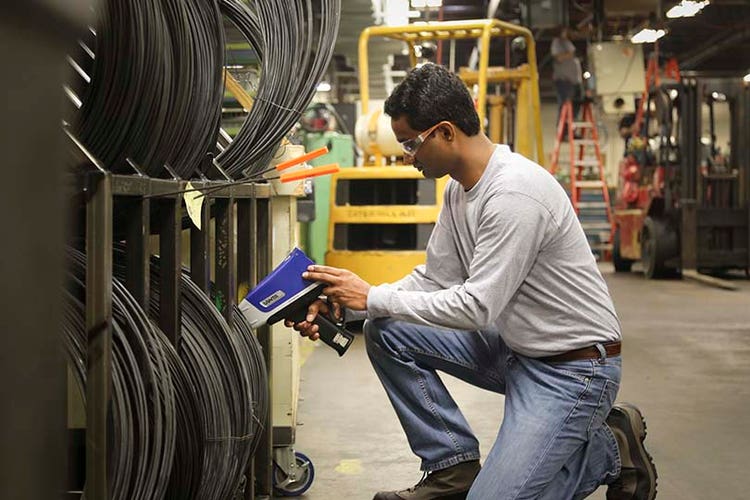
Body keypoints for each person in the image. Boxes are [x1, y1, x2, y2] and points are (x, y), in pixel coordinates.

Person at [286, 64, 657, 500]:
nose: (407, 155)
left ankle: (611, 450)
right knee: (386, 331)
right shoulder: (459, 190)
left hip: (574, 369)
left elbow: (476, 307)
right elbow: (435, 279)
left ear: (445, 132)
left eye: (411, 142)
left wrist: (373, 295)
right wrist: (349, 305)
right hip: (518, 349)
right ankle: (452, 468)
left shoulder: (514, 194)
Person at [551, 26, 584, 125]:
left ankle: (572, 128)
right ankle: (563, 129)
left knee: (576, 104)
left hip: (575, 81)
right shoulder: (557, 42)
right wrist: (569, 54)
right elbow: (558, 57)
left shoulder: (568, 43)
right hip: (564, 80)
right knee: (565, 104)